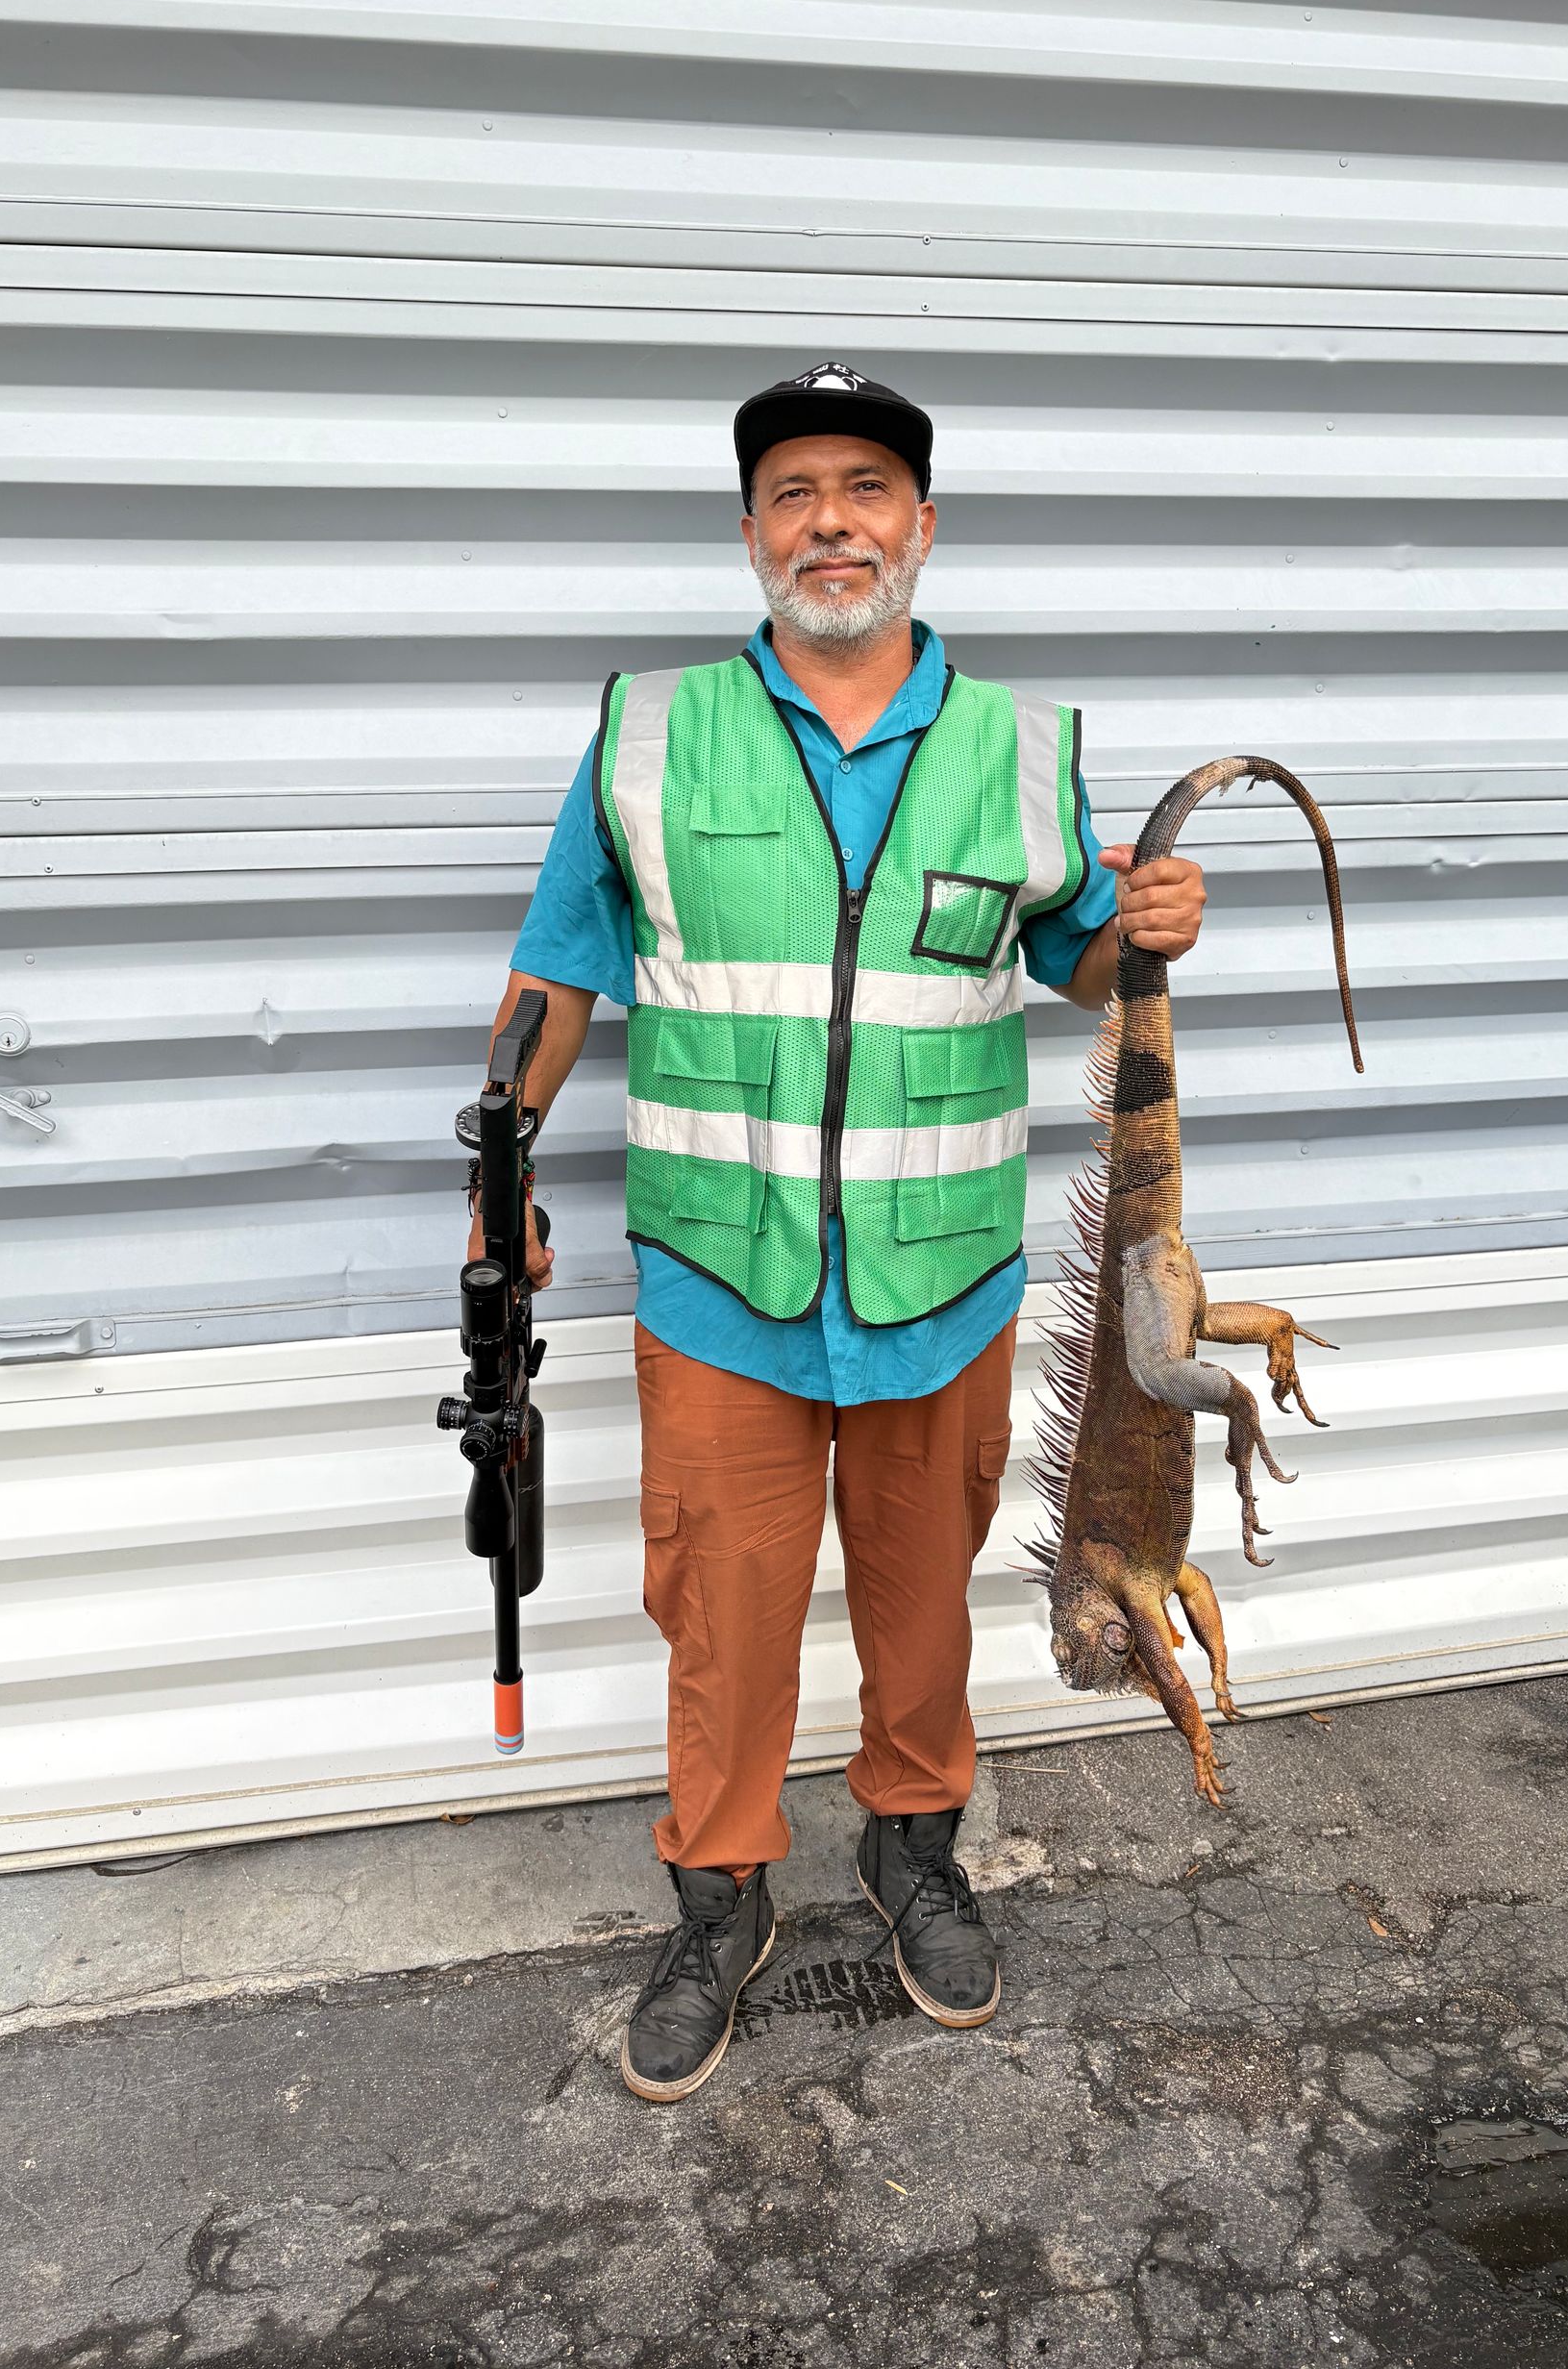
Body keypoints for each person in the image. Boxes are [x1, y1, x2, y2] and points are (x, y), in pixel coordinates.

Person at [476, 365, 1206, 2102]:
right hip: (721, 1279)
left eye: (866, 488)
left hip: (938, 1279)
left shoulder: (1021, 745)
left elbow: (1082, 960)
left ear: (922, 528)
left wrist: (1150, 925)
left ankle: (911, 1851)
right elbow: (559, 966)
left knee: (920, 1600)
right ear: (749, 534)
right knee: (719, 1608)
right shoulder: (651, 732)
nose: (831, 520)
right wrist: (500, 1159)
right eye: (793, 491)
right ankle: (717, 1895)